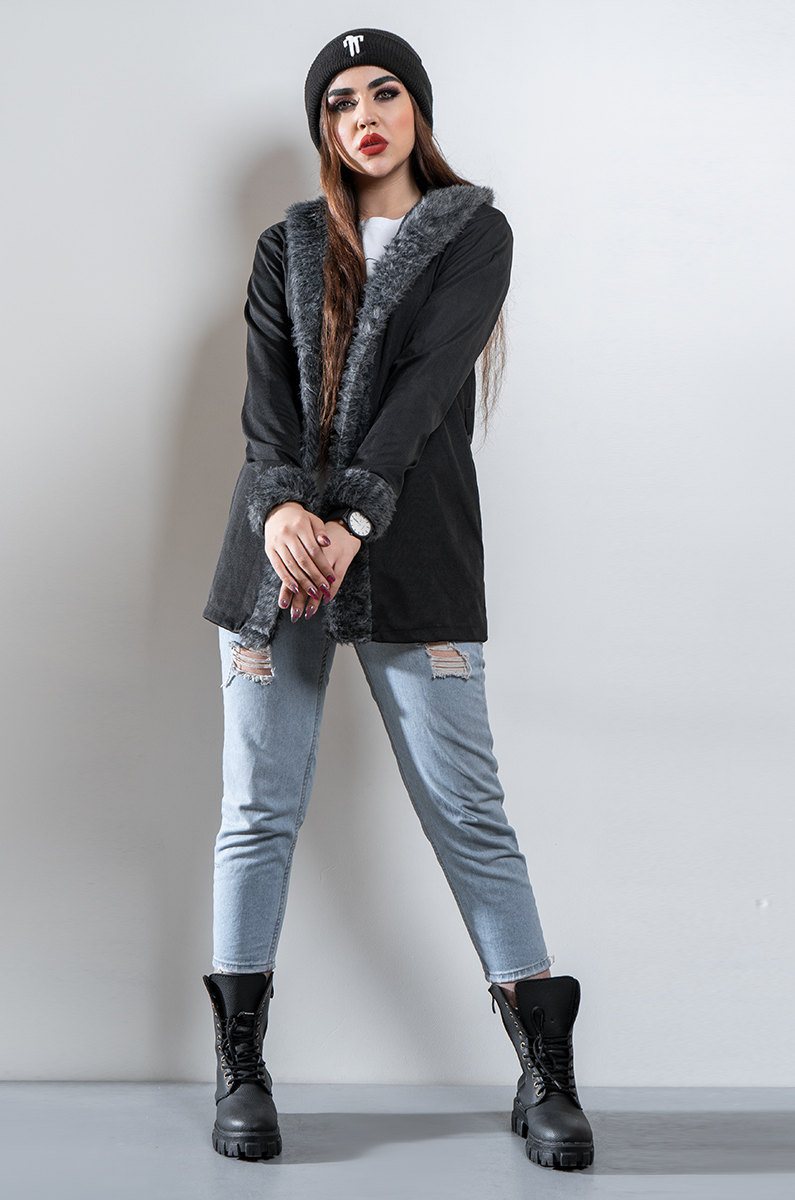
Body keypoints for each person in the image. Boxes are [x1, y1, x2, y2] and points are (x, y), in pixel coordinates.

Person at [199, 28, 595, 1172]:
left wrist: (352, 522)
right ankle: (241, 1069)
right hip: (275, 563)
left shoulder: (473, 233)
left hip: (413, 555)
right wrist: (284, 512)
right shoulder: (287, 244)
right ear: (322, 127)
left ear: (418, 106)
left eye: (384, 93)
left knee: (468, 814)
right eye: (339, 102)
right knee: (257, 812)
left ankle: (545, 1069)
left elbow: (424, 393)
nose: (364, 117)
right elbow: (265, 405)